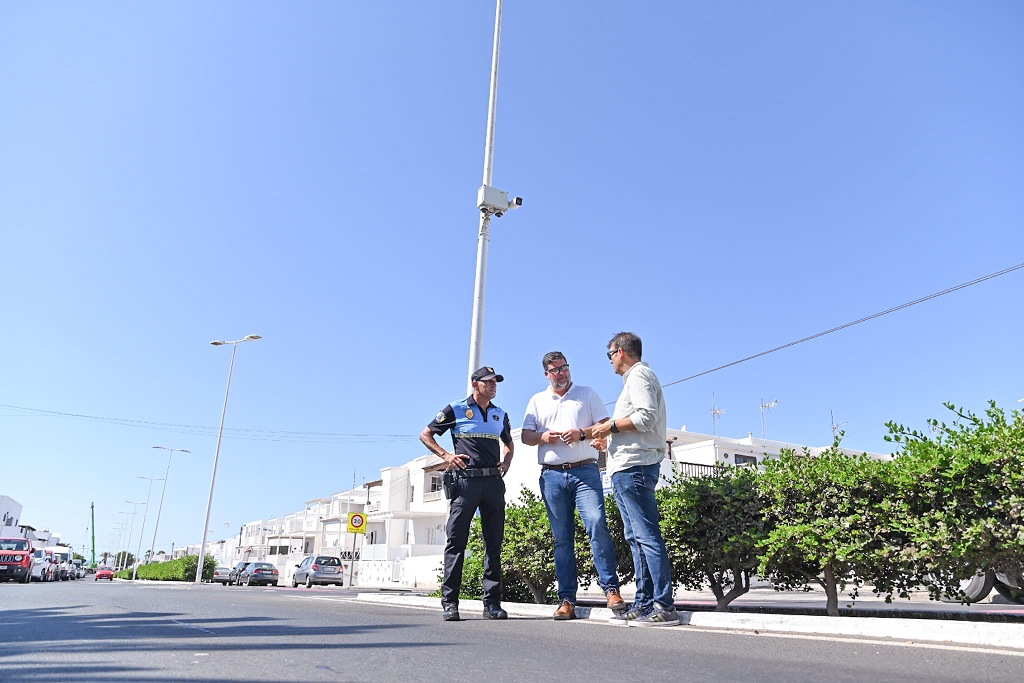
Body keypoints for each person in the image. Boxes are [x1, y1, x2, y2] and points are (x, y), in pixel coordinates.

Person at [521, 351, 627, 620]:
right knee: (562, 540)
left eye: (565, 368)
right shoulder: (537, 400)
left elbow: (605, 425)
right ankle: (567, 600)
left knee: (597, 524)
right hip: (552, 476)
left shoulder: (587, 394)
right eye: (556, 370)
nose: (562, 373)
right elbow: (525, 435)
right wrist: (543, 436)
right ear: (547, 374)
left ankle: (611, 590)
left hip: (586, 473)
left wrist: (586, 434)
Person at [587, 332, 680, 627]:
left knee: (647, 537)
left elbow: (646, 417)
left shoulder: (639, 375)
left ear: (621, 352)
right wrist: (609, 442)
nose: (610, 360)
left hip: (636, 467)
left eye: (610, 354)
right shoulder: (633, 380)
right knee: (636, 538)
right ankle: (644, 603)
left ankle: (664, 606)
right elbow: (637, 426)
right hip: (627, 466)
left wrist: (608, 427)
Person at [420, 366, 514, 622]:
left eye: (496, 382)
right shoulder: (456, 408)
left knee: (493, 544)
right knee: (456, 543)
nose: (494, 385)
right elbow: (426, 434)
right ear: (476, 384)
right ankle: (450, 603)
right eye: (489, 382)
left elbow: (508, 443)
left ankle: (492, 605)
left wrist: (506, 462)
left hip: (493, 484)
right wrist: (447, 456)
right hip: (466, 484)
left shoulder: (500, 414)